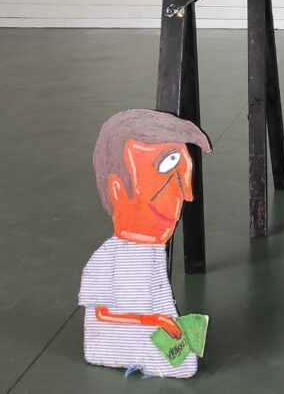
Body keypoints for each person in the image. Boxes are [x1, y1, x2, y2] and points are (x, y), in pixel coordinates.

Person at [78, 109, 212, 378]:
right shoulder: (106, 259)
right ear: (117, 190)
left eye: (183, 176)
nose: (186, 196)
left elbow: (160, 300)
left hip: (149, 329)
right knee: (182, 364)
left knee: (184, 359)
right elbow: (101, 315)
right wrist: (152, 321)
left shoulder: (154, 253)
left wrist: (170, 323)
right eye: (166, 171)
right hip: (116, 340)